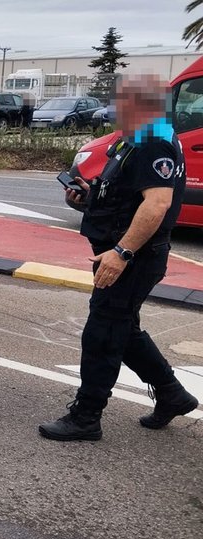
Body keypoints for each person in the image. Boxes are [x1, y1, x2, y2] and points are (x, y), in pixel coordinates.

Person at [39, 74, 198, 441]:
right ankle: (173, 394)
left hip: (133, 256)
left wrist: (122, 253)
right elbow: (123, 191)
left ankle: (86, 416)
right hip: (120, 250)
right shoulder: (136, 139)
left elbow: (156, 204)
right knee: (123, 329)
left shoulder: (154, 141)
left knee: (103, 333)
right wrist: (87, 195)